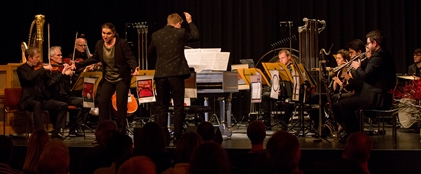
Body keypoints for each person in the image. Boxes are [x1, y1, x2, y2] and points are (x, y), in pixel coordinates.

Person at [76, 22, 139, 133]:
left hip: (121, 79)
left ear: (114, 33)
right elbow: (94, 58)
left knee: (121, 104)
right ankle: (102, 132)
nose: (105, 36)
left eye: (108, 33)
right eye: (103, 33)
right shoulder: (100, 44)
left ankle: (121, 131)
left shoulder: (121, 43)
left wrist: (134, 68)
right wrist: (76, 65)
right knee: (103, 102)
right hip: (108, 78)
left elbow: (130, 58)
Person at [338, 30, 396, 143]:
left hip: (377, 97)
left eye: (368, 43)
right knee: (339, 103)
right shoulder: (380, 55)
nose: (367, 47)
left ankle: (354, 136)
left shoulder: (379, 56)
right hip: (373, 94)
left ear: (375, 43)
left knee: (343, 104)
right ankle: (351, 132)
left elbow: (365, 76)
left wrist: (358, 67)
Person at [148, 12, 200, 140]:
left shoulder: (156, 35)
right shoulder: (180, 32)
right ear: (178, 24)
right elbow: (196, 36)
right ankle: (177, 135)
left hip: (161, 75)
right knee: (178, 106)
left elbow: (150, 52)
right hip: (176, 74)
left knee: (162, 107)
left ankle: (163, 135)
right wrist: (190, 22)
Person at [17, 47, 68, 139]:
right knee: (36, 104)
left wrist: (62, 74)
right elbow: (29, 77)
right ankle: (40, 133)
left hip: (42, 99)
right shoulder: (22, 69)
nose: (39, 59)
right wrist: (43, 69)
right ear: (29, 58)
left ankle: (56, 131)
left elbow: (50, 82)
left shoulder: (40, 68)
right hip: (28, 100)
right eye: (36, 57)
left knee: (63, 105)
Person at [48, 46, 90, 136]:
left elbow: (74, 85)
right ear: (51, 57)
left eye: (61, 55)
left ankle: (75, 128)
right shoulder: (48, 71)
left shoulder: (63, 68)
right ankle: (58, 130)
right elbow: (51, 84)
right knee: (62, 105)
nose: (61, 57)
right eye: (58, 55)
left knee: (87, 102)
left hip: (65, 97)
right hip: (54, 98)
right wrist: (63, 74)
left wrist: (75, 74)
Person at [261, 49, 295, 131]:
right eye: (280, 58)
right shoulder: (278, 68)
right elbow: (273, 80)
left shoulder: (293, 68)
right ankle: (267, 123)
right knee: (265, 95)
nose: (281, 60)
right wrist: (275, 89)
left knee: (289, 102)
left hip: (291, 94)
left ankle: (284, 123)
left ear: (289, 57)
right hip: (280, 93)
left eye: (283, 58)